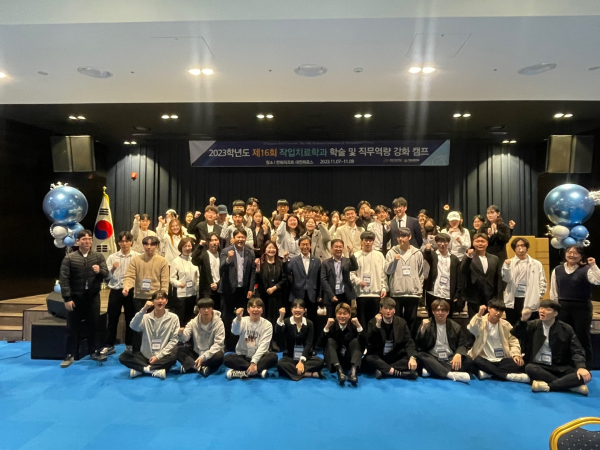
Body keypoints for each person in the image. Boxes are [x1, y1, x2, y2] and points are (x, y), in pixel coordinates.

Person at [511, 300, 592, 396]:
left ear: (555, 313)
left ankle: (549, 386)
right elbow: (516, 333)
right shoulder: (533, 325)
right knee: (530, 368)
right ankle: (570, 386)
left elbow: (577, 350)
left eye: (547, 309)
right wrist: (523, 320)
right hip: (540, 366)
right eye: (541, 308)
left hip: (559, 366)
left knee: (586, 375)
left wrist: (581, 367)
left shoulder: (566, 329)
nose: (542, 311)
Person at [59, 230, 110, 367]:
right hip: (75, 298)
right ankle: (69, 354)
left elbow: (107, 274)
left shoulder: (98, 257)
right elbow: (64, 279)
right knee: (72, 327)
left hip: (93, 297)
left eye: (89, 239)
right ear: (78, 241)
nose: (87, 241)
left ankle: (94, 351)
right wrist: (67, 298)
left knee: (94, 326)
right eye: (84, 239)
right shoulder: (69, 258)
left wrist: (100, 271)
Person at [549, 245, 600, 368]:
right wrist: (554, 307)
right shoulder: (558, 269)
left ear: (581, 256)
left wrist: (594, 266)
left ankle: (586, 366)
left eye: (575, 253)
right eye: (569, 252)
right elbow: (554, 291)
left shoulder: (587, 269)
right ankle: (564, 364)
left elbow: (597, 280)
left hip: (582, 308)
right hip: (562, 307)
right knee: (563, 336)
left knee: (582, 336)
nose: (571, 255)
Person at [118, 290, 179, 379]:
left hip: (161, 357)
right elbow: (133, 326)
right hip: (145, 356)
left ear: (166, 301)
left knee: (173, 358)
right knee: (123, 357)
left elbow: (174, 340)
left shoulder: (173, 318)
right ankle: (152, 370)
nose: (160, 301)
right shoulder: (145, 317)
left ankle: (140, 369)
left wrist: (158, 356)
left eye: (162, 298)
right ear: (152, 302)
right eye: (157, 299)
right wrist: (143, 310)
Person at [467, 300, 529, 383]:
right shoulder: (480, 321)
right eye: (496, 310)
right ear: (489, 308)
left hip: (502, 360)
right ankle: (507, 376)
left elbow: (513, 341)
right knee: (476, 361)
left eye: (501, 311)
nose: (498, 313)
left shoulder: (506, 324)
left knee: (522, 364)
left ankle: (489, 373)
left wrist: (516, 354)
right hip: (485, 358)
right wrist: (479, 314)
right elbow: (472, 328)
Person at [100, 231, 140, 357]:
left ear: (131, 242)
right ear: (118, 243)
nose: (124, 244)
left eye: (127, 241)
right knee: (112, 319)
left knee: (131, 319)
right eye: (122, 241)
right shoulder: (112, 257)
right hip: (116, 290)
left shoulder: (137, 257)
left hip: (131, 291)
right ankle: (109, 345)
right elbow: (106, 276)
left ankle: (129, 345)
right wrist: (113, 268)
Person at [415, 299, 473, 383]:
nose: (440, 313)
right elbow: (419, 343)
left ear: (448, 312)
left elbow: (462, 343)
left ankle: (433, 371)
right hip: (433, 357)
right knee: (421, 355)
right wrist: (423, 328)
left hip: (449, 358)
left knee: (468, 360)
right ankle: (450, 375)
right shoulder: (427, 324)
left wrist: (458, 354)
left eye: (443, 310)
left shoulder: (456, 326)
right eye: (437, 310)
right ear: (433, 312)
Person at [218, 228, 256, 349]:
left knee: (243, 317)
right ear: (233, 239)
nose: (240, 239)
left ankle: (242, 343)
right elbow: (221, 269)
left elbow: (253, 272)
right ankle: (227, 343)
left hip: (243, 290)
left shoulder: (250, 252)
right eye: (238, 237)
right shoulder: (225, 251)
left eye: (242, 237)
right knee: (227, 318)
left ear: (245, 238)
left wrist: (251, 288)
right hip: (228, 290)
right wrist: (228, 259)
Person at [363, 297, 418, 380]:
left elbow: (409, 341)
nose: (388, 311)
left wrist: (412, 358)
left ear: (394, 310)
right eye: (385, 308)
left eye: (391, 308)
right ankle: (400, 374)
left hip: (395, 356)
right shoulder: (373, 322)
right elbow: (370, 342)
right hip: (379, 356)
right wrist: (378, 325)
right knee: (369, 359)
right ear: (381, 310)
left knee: (413, 359)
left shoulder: (401, 322)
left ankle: (383, 371)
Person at [224, 298, 278, 379]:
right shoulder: (242, 320)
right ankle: (258, 372)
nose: (255, 309)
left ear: (262, 310)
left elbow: (264, 345)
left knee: (273, 357)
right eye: (253, 307)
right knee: (227, 358)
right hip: (243, 356)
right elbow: (235, 332)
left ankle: (243, 372)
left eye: (258, 307)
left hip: (259, 357)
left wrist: (254, 362)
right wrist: (238, 318)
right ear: (248, 310)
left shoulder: (267, 324)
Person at [384, 227, 424, 332]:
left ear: (409, 237)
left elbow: (421, 273)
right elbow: (388, 271)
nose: (400, 239)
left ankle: (410, 340)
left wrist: (419, 287)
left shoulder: (417, 253)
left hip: (413, 293)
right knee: (397, 320)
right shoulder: (391, 252)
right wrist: (394, 261)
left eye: (403, 236)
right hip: (397, 292)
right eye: (399, 236)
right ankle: (398, 339)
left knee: (411, 320)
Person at [275, 301, 325, 381]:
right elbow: (278, 333)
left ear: (304, 310)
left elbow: (309, 343)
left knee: (320, 362)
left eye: (300, 308)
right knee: (280, 364)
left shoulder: (309, 324)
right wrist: (281, 317)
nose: (297, 310)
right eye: (295, 307)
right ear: (291, 310)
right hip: (290, 357)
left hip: (306, 357)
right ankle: (308, 374)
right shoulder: (286, 322)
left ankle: (294, 371)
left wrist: (301, 361)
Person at [502, 237, 547, 325]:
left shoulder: (536, 264)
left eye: (522, 245)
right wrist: (507, 267)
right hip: (514, 299)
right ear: (514, 248)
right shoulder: (509, 262)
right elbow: (506, 279)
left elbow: (542, 281)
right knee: (513, 325)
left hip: (530, 298)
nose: (520, 248)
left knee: (530, 326)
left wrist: (538, 295)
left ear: (527, 247)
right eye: (517, 246)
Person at [177, 297, 225, 376]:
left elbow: (218, 344)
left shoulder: (219, 323)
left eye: (208, 308)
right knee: (178, 349)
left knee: (219, 356)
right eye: (203, 308)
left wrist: (203, 357)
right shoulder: (193, 322)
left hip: (210, 354)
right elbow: (185, 338)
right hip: (197, 352)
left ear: (212, 309)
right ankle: (200, 368)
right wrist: (181, 333)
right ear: (199, 310)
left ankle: (191, 366)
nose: (206, 310)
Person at [321, 303, 367, 386]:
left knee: (356, 341)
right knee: (330, 341)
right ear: (336, 315)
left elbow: (364, 343)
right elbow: (320, 344)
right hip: (335, 360)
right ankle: (339, 371)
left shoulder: (354, 324)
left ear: (349, 315)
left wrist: (359, 326)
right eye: (339, 313)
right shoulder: (331, 324)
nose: (342, 316)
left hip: (350, 359)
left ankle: (353, 372)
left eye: (345, 313)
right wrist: (326, 327)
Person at [351, 231, 388, 328]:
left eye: (370, 240)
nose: (368, 243)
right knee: (362, 320)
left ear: (373, 242)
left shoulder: (379, 255)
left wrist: (383, 288)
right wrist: (359, 281)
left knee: (375, 321)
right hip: (361, 294)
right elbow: (351, 273)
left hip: (375, 293)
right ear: (361, 241)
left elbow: (383, 273)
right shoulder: (356, 255)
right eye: (366, 240)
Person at [461, 234, 502, 318]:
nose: (480, 243)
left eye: (483, 241)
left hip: (490, 298)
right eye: (477, 241)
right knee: (475, 323)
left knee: (489, 323)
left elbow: (498, 279)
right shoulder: (468, 257)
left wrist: (499, 297)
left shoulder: (495, 259)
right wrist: (469, 257)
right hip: (474, 298)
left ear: (487, 243)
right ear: (473, 243)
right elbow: (463, 271)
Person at [255, 241, 287, 345]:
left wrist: (274, 288)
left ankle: (274, 341)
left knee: (274, 318)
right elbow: (256, 280)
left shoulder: (280, 262)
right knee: (263, 318)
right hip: (263, 296)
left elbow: (284, 278)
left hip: (276, 296)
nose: (271, 250)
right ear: (265, 250)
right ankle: (263, 341)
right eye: (269, 248)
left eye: (273, 248)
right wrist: (258, 269)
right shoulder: (260, 262)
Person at [285, 236, 322, 325]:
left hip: (312, 294)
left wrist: (320, 295)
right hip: (297, 293)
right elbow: (286, 272)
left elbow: (320, 279)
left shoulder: (317, 261)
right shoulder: (293, 260)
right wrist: (285, 261)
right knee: (296, 319)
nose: (305, 247)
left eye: (307, 244)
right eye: (303, 244)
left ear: (310, 246)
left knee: (312, 319)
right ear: (299, 246)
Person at [422, 235, 461, 318]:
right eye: (440, 242)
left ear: (448, 243)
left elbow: (458, 277)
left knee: (447, 318)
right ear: (436, 243)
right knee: (432, 317)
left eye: (445, 242)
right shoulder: (432, 255)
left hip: (448, 292)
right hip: (433, 292)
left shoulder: (454, 259)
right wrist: (427, 249)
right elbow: (426, 256)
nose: (442, 244)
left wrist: (457, 293)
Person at [321, 239, 359, 318]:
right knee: (331, 318)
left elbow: (355, 267)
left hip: (345, 294)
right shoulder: (325, 263)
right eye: (336, 247)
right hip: (331, 294)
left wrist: (351, 254)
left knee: (345, 317)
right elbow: (323, 279)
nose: (338, 249)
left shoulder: (347, 261)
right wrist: (331, 295)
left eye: (340, 247)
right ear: (331, 248)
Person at [169, 237, 199, 325]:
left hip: (192, 293)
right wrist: (179, 284)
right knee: (180, 318)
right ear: (181, 248)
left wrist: (197, 293)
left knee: (190, 319)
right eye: (185, 246)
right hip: (181, 294)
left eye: (189, 246)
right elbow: (171, 278)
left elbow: (197, 277)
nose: (187, 248)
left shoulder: (194, 260)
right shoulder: (176, 261)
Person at [193, 232, 221, 306]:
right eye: (211, 240)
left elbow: (224, 272)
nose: (214, 243)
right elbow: (194, 261)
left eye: (216, 240)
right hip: (207, 290)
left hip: (220, 288)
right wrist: (200, 246)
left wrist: (218, 284)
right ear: (208, 242)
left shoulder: (222, 254)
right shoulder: (204, 255)